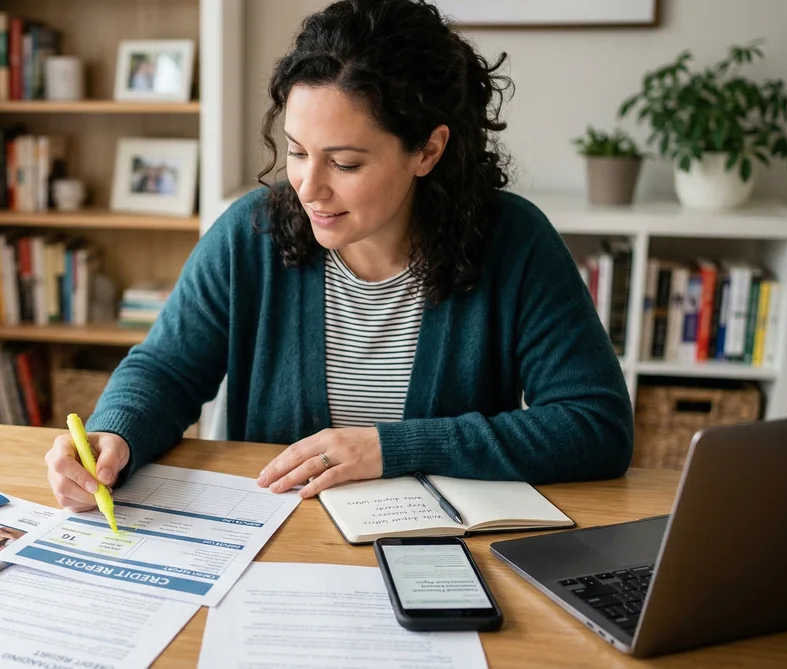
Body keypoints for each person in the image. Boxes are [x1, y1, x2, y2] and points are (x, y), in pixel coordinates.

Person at [44, 0, 633, 512]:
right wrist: (113, 431)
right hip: (277, 545)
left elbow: (595, 424)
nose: (307, 187)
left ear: (428, 149)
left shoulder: (514, 242)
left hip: (444, 557)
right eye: (297, 152)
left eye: (345, 163)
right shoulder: (251, 234)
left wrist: (391, 448)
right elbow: (165, 370)